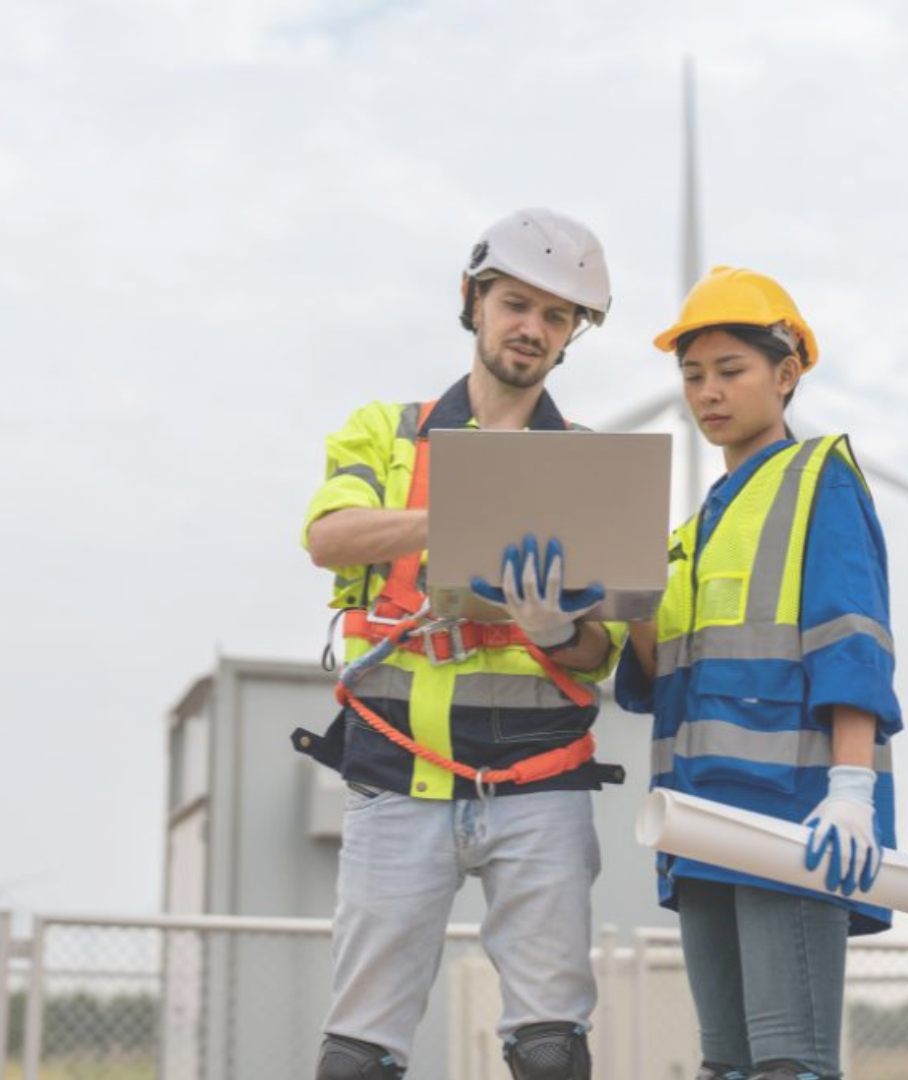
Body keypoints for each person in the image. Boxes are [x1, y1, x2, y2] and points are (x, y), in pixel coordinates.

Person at [294, 208, 627, 1080]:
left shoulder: (591, 466)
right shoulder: (389, 432)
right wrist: (462, 516)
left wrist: (559, 629)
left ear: (570, 338)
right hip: (396, 774)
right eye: (517, 304)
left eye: (558, 318)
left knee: (552, 1051)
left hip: (539, 782)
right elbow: (330, 535)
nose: (534, 330)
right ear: (474, 302)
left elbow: (605, 652)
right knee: (358, 1056)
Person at [615, 266, 902, 1080]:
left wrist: (852, 795)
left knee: (788, 1067)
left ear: (786, 374)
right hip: (698, 824)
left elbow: (854, 642)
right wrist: (627, 595)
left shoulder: (820, 480)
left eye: (730, 371)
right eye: (692, 374)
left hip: (793, 822)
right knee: (728, 1068)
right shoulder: (695, 527)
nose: (707, 392)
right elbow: (659, 675)